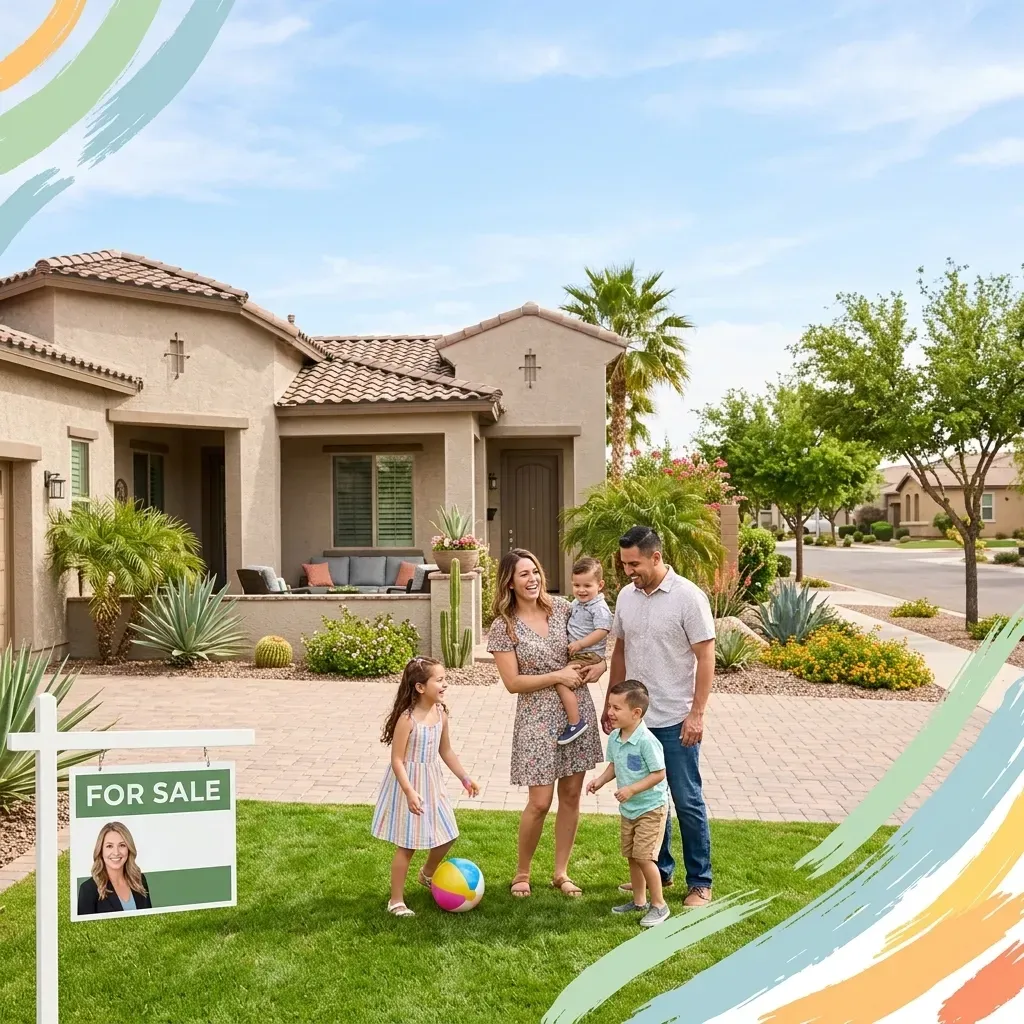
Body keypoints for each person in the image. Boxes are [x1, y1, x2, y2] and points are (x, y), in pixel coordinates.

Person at [603, 525, 717, 908]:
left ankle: (700, 881)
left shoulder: (688, 598)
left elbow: (705, 656)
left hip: (675, 718)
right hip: (637, 723)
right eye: (624, 564)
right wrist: (611, 704)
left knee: (686, 800)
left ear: (656, 556)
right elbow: (619, 650)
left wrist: (696, 713)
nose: (628, 571)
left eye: (634, 563)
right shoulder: (626, 596)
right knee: (651, 800)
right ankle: (661, 873)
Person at [488, 548, 606, 899]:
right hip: (536, 717)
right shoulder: (503, 627)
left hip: (575, 713)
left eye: (535, 571)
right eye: (524, 574)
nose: (533, 579)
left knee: (570, 796)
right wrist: (556, 675)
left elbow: (597, 643)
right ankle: (522, 872)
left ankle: (560, 873)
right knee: (540, 801)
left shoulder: (564, 609)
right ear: (509, 581)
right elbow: (513, 683)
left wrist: (599, 667)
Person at [371, 656, 480, 917]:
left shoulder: (440, 713)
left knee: (449, 834)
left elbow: (446, 751)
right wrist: (409, 791)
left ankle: (427, 873)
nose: (445, 685)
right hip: (409, 784)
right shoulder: (407, 719)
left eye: (445, 679)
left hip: (432, 783)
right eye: (439, 680)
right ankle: (395, 900)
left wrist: (464, 777)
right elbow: (397, 759)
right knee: (408, 845)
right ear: (420, 687)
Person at [586, 679, 670, 928]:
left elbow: (659, 773)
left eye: (616, 708)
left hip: (650, 808)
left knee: (644, 857)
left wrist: (632, 789)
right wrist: (600, 781)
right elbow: (614, 766)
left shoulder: (646, 741)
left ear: (636, 713)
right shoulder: (615, 737)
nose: (610, 712)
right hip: (630, 809)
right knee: (632, 856)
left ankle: (659, 905)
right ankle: (639, 900)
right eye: (610, 706)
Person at [555, 556, 613, 746]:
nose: (581, 590)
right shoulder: (577, 603)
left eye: (587, 585)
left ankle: (575, 723)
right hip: (581, 652)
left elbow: (603, 630)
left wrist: (580, 644)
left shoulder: (599, 608)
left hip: (588, 654)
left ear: (600, 585)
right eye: (576, 585)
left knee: (562, 682)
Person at [77, 821, 152, 915]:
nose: (116, 852)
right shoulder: (88, 889)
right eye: (109, 846)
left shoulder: (139, 880)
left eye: (122, 845)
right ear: (100, 850)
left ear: (129, 849)